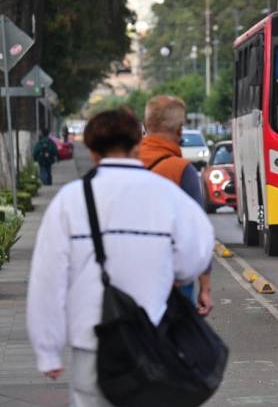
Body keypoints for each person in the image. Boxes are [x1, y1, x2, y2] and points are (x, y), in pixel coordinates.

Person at [26, 109, 214, 406]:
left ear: (90, 151)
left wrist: (47, 349)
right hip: (155, 337)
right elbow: (197, 254)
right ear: (138, 144)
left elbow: (47, 279)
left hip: (91, 343)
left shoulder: (70, 201)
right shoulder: (168, 196)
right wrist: (174, 273)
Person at [139, 95, 213, 316]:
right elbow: (198, 234)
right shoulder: (181, 171)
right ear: (180, 130)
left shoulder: (126, 162)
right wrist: (205, 287)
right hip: (172, 282)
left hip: (127, 279)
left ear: (146, 125)